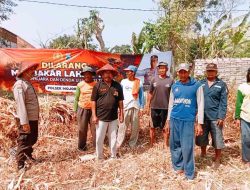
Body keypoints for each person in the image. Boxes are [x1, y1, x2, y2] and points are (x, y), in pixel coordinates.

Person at [166, 63, 204, 180]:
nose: (182, 74)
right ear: (177, 72)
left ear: (189, 72)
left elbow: (201, 105)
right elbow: (171, 104)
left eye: (185, 72)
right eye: (180, 72)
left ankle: (189, 173)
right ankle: (178, 167)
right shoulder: (175, 86)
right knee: (175, 145)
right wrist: (168, 121)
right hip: (174, 119)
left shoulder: (197, 86)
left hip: (188, 120)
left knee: (187, 147)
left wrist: (199, 124)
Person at [196, 63, 228, 167]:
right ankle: (203, 154)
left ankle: (217, 157)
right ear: (206, 72)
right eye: (209, 71)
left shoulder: (221, 84)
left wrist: (221, 116)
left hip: (215, 117)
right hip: (203, 116)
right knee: (202, 137)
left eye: (212, 71)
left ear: (216, 72)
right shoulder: (200, 84)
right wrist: (196, 115)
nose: (210, 72)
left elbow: (223, 102)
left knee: (217, 138)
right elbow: (197, 100)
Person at [91, 63, 124, 159]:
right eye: (105, 73)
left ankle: (113, 156)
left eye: (109, 73)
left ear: (112, 75)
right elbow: (93, 101)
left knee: (113, 138)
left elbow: (120, 101)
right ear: (102, 75)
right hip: (100, 117)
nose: (107, 75)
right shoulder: (97, 86)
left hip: (113, 117)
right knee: (99, 139)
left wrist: (121, 114)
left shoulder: (117, 86)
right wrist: (94, 115)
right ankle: (99, 157)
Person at [13, 62, 40, 170]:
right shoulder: (19, 85)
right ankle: (20, 164)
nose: (33, 71)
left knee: (32, 139)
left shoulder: (27, 83)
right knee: (24, 141)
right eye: (31, 69)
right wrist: (24, 122)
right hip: (26, 119)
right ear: (25, 72)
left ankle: (28, 156)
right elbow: (21, 105)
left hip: (32, 118)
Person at [146, 62, 173, 147]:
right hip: (154, 107)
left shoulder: (171, 80)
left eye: (164, 68)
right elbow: (150, 93)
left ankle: (165, 144)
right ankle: (151, 143)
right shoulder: (154, 79)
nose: (162, 70)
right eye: (160, 68)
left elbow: (173, 94)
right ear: (158, 69)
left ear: (167, 69)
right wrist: (147, 105)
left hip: (166, 107)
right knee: (152, 126)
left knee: (165, 127)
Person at [117, 65, 144, 148]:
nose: (127, 73)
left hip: (135, 106)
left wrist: (142, 107)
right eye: (126, 71)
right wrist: (119, 107)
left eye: (128, 71)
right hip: (125, 107)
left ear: (133, 73)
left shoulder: (139, 82)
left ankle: (132, 144)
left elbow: (141, 96)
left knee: (135, 127)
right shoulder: (123, 82)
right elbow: (119, 95)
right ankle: (119, 143)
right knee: (122, 126)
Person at [74, 66, 96, 151]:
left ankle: (96, 147)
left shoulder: (96, 85)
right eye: (85, 74)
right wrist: (75, 111)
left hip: (93, 110)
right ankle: (82, 147)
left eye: (89, 74)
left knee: (95, 129)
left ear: (92, 75)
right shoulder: (80, 85)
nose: (87, 76)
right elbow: (76, 98)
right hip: (82, 109)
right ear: (83, 75)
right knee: (82, 129)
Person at [235, 67, 250, 165]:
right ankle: (246, 159)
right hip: (245, 117)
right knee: (246, 138)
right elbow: (238, 103)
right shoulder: (242, 87)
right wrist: (237, 117)